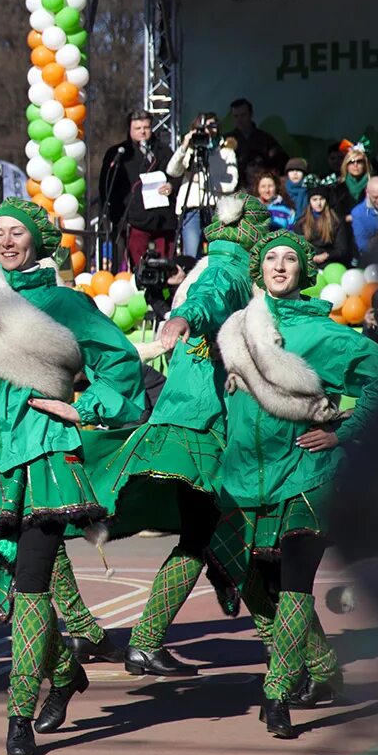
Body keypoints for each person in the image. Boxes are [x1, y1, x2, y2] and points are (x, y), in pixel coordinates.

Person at [0, 198, 145, 755]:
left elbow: (122, 363)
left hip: (47, 458)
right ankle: (63, 673)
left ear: (38, 241)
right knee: (11, 581)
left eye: (18, 233)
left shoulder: (66, 304)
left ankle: (18, 717)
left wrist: (84, 408)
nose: (7, 241)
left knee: (32, 585)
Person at [212, 230, 378, 737]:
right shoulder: (237, 329)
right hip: (244, 479)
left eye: (290, 258)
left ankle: (276, 694)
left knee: (295, 584)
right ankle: (325, 671)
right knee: (256, 584)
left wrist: (343, 433)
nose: (280, 266)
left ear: (304, 271)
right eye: (271, 258)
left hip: (307, 477)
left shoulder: (327, 335)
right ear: (259, 269)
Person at [95, 194, 270, 677]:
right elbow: (210, 296)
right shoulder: (230, 270)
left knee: (209, 533)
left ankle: (148, 641)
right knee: (231, 532)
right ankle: (299, 655)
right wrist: (186, 316)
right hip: (203, 423)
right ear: (252, 234)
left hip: (196, 418)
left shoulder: (227, 270)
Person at [105, 111, 178, 266]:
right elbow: (108, 187)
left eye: (146, 127)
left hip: (163, 219)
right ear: (130, 129)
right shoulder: (119, 154)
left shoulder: (163, 151)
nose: (143, 131)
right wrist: (117, 216)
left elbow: (177, 174)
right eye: (138, 128)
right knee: (139, 265)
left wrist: (171, 186)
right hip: (135, 219)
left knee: (165, 265)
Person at [167, 111, 240, 256]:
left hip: (216, 208)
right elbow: (172, 171)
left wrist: (203, 181)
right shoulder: (191, 149)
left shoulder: (226, 152)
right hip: (192, 209)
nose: (209, 130)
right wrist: (184, 146)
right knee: (192, 254)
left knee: (218, 253)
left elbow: (232, 183)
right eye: (204, 127)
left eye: (213, 126)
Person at [295, 183, 355, 268]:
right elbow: (299, 247)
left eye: (321, 199)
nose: (318, 203)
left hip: (331, 263)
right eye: (314, 199)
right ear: (310, 201)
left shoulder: (336, 222)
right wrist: (311, 257)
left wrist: (327, 255)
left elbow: (342, 249)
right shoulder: (301, 223)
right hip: (309, 264)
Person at [229, 98, 287, 185]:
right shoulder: (227, 140)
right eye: (236, 116)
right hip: (235, 189)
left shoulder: (266, 139)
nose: (239, 120)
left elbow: (281, 163)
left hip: (262, 187)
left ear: (251, 114)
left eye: (243, 115)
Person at [349, 176, 378, 258]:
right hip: (370, 257)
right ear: (367, 193)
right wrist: (376, 240)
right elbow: (361, 245)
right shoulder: (358, 213)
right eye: (375, 197)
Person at [333, 144, 373, 221]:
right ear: (346, 165)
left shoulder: (374, 187)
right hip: (345, 230)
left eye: (359, 161)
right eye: (351, 162)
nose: (355, 165)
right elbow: (335, 215)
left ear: (365, 164)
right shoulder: (338, 189)